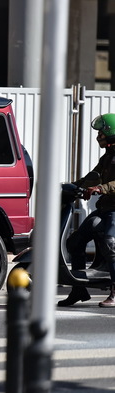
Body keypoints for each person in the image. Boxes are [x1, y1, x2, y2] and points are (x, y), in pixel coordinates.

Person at [60, 113, 115, 307]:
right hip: (105, 209)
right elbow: (94, 176)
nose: (99, 136)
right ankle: (78, 290)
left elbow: (107, 184)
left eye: (102, 132)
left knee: (110, 243)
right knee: (75, 242)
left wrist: (101, 188)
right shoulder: (108, 156)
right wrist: (73, 186)